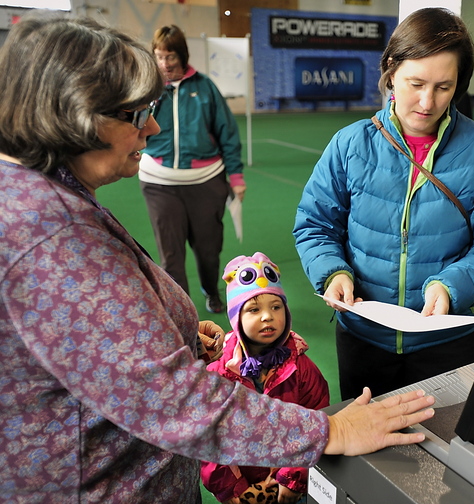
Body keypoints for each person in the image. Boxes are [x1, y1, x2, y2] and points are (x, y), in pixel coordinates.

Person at [0, 12, 437, 503]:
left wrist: (174, 328)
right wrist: (329, 432)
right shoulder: (53, 237)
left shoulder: (43, 195)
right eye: (134, 113)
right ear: (73, 116)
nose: (153, 125)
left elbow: (90, 346)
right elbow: (172, 401)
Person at [293, 8, 474, 401]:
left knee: (445, 445)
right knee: (367, 455)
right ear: (390, 70)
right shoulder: (350, 144)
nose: (426, 101)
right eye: (414, 83)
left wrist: (452, 286)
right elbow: (315, 224)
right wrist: (333, 272)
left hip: (449, 341)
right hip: (362, 338)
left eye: (443, 87)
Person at [201, 252, 330, 504]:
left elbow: (319, 422)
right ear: (236, 319)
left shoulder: (301, 368)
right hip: (243, 490)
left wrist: (293, 478)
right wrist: (233, 491)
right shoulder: (218, 376)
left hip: (291, 486)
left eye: (276, 307)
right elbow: (209, 441)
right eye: (253, 309)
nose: (267, 316)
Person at [139, 24, 245, 314]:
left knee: (209, 251)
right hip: (158, 182)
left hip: (206, 180)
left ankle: (211, 291)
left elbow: (227, 132)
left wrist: (235, 176)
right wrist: (153, 95)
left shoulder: (205, 87)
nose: (165, 63)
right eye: (159, 56)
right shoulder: (147, 89)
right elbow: (133, 127)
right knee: (170, 256)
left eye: (170, 56)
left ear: (182, 56)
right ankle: (182, 309)